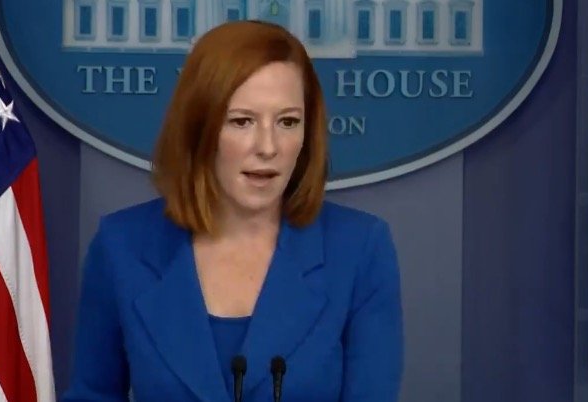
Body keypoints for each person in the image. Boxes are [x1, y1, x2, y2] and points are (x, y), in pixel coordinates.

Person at [62, 20, 404, 402]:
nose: (268, 147)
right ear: (199, 128)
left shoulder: (359, 250)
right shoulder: (121, 247)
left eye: (288, 122)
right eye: (242, 121)